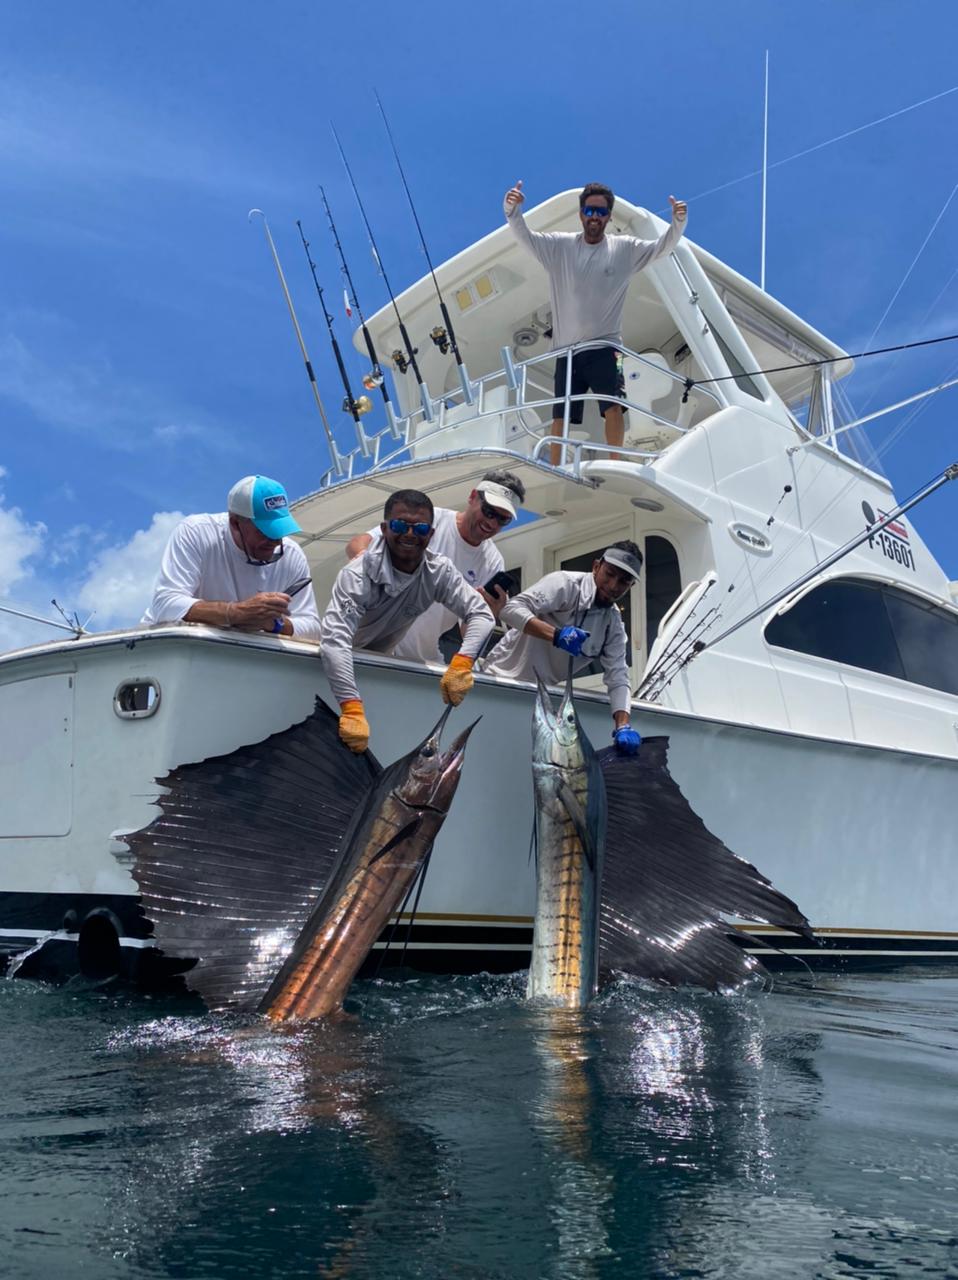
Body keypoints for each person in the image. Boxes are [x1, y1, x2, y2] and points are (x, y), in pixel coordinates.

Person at [503, 179, 688, 463]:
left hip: (606, 346)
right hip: (567, 351)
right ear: (580, 214)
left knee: (613, 406)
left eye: (600, 212)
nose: (594, 217)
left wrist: (677, 223)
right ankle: (556, 467)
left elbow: (660, 248)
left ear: (609, 216)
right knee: (560, 414)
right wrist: (512, 211)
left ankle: (615, 461)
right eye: (589, 211)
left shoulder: (624, 248)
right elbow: (525, 237)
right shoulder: (560, 246)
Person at [321, 489, 495, 753]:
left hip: (377, 666)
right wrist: (351, 707)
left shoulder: (439, 571)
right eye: (401, 525)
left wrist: (462, 662)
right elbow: (335, 644)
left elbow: (482, 615)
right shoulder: (357, 575)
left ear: (431, 534)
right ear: (384, 528)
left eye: (421, 528)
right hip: (332, 668)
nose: (410, 534)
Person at [344, 470, 526, 663]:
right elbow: (357, 543)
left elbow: (466, 631)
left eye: (502, 519)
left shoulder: (492, 561)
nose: (492, 522)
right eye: (489, 512)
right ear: (473, 497)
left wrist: (491, 612)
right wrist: (366, 563)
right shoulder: (430, 521)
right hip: (370, 647)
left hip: (422, 659)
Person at [482, 541, 644, 754]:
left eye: (624, 581)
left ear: (631, 586)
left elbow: (618, 676)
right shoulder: (565, 584)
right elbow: (510, 610)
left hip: (538, 702)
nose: (614, 586)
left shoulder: (613, 623)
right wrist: (556, 635)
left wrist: (623, 725)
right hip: (495, 683)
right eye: (610, 574)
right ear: (596, 566)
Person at [142, 475, 321, 639]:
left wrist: (272, 623)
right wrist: (235, 613)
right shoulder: (196, 532)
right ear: (235, 523)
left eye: (279, 532)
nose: (274, 542)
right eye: (265, 532)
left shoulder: (293, 554)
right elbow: (165, 605)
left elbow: (313, 628)